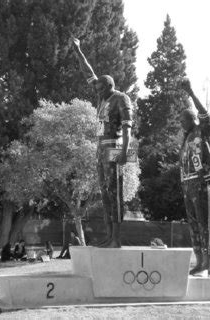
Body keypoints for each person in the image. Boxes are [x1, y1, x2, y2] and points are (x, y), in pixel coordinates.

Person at [72, 37, 133, 248]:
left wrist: (125, 151)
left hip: (115, 147)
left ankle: (116, 238)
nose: (97, 92)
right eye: (96, 90)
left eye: (101, 89)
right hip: (101, 147)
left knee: (115, 192)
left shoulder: (121, 98)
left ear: (110, 86)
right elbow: (88, 72)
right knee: (105, 192)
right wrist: (78, 50)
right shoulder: (102, 97)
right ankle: (109, 236)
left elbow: (127, 127)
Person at [179, 78, 210, 277]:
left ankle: (207, 263)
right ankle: (199, 261)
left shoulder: (202, 131)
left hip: (202, 182)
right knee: (193, 224)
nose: (181, 124)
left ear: (193, 120)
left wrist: (191, 93)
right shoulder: (186, 139)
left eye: (184, 120)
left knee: (204, 222)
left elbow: (206, 115)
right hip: (188, 184)